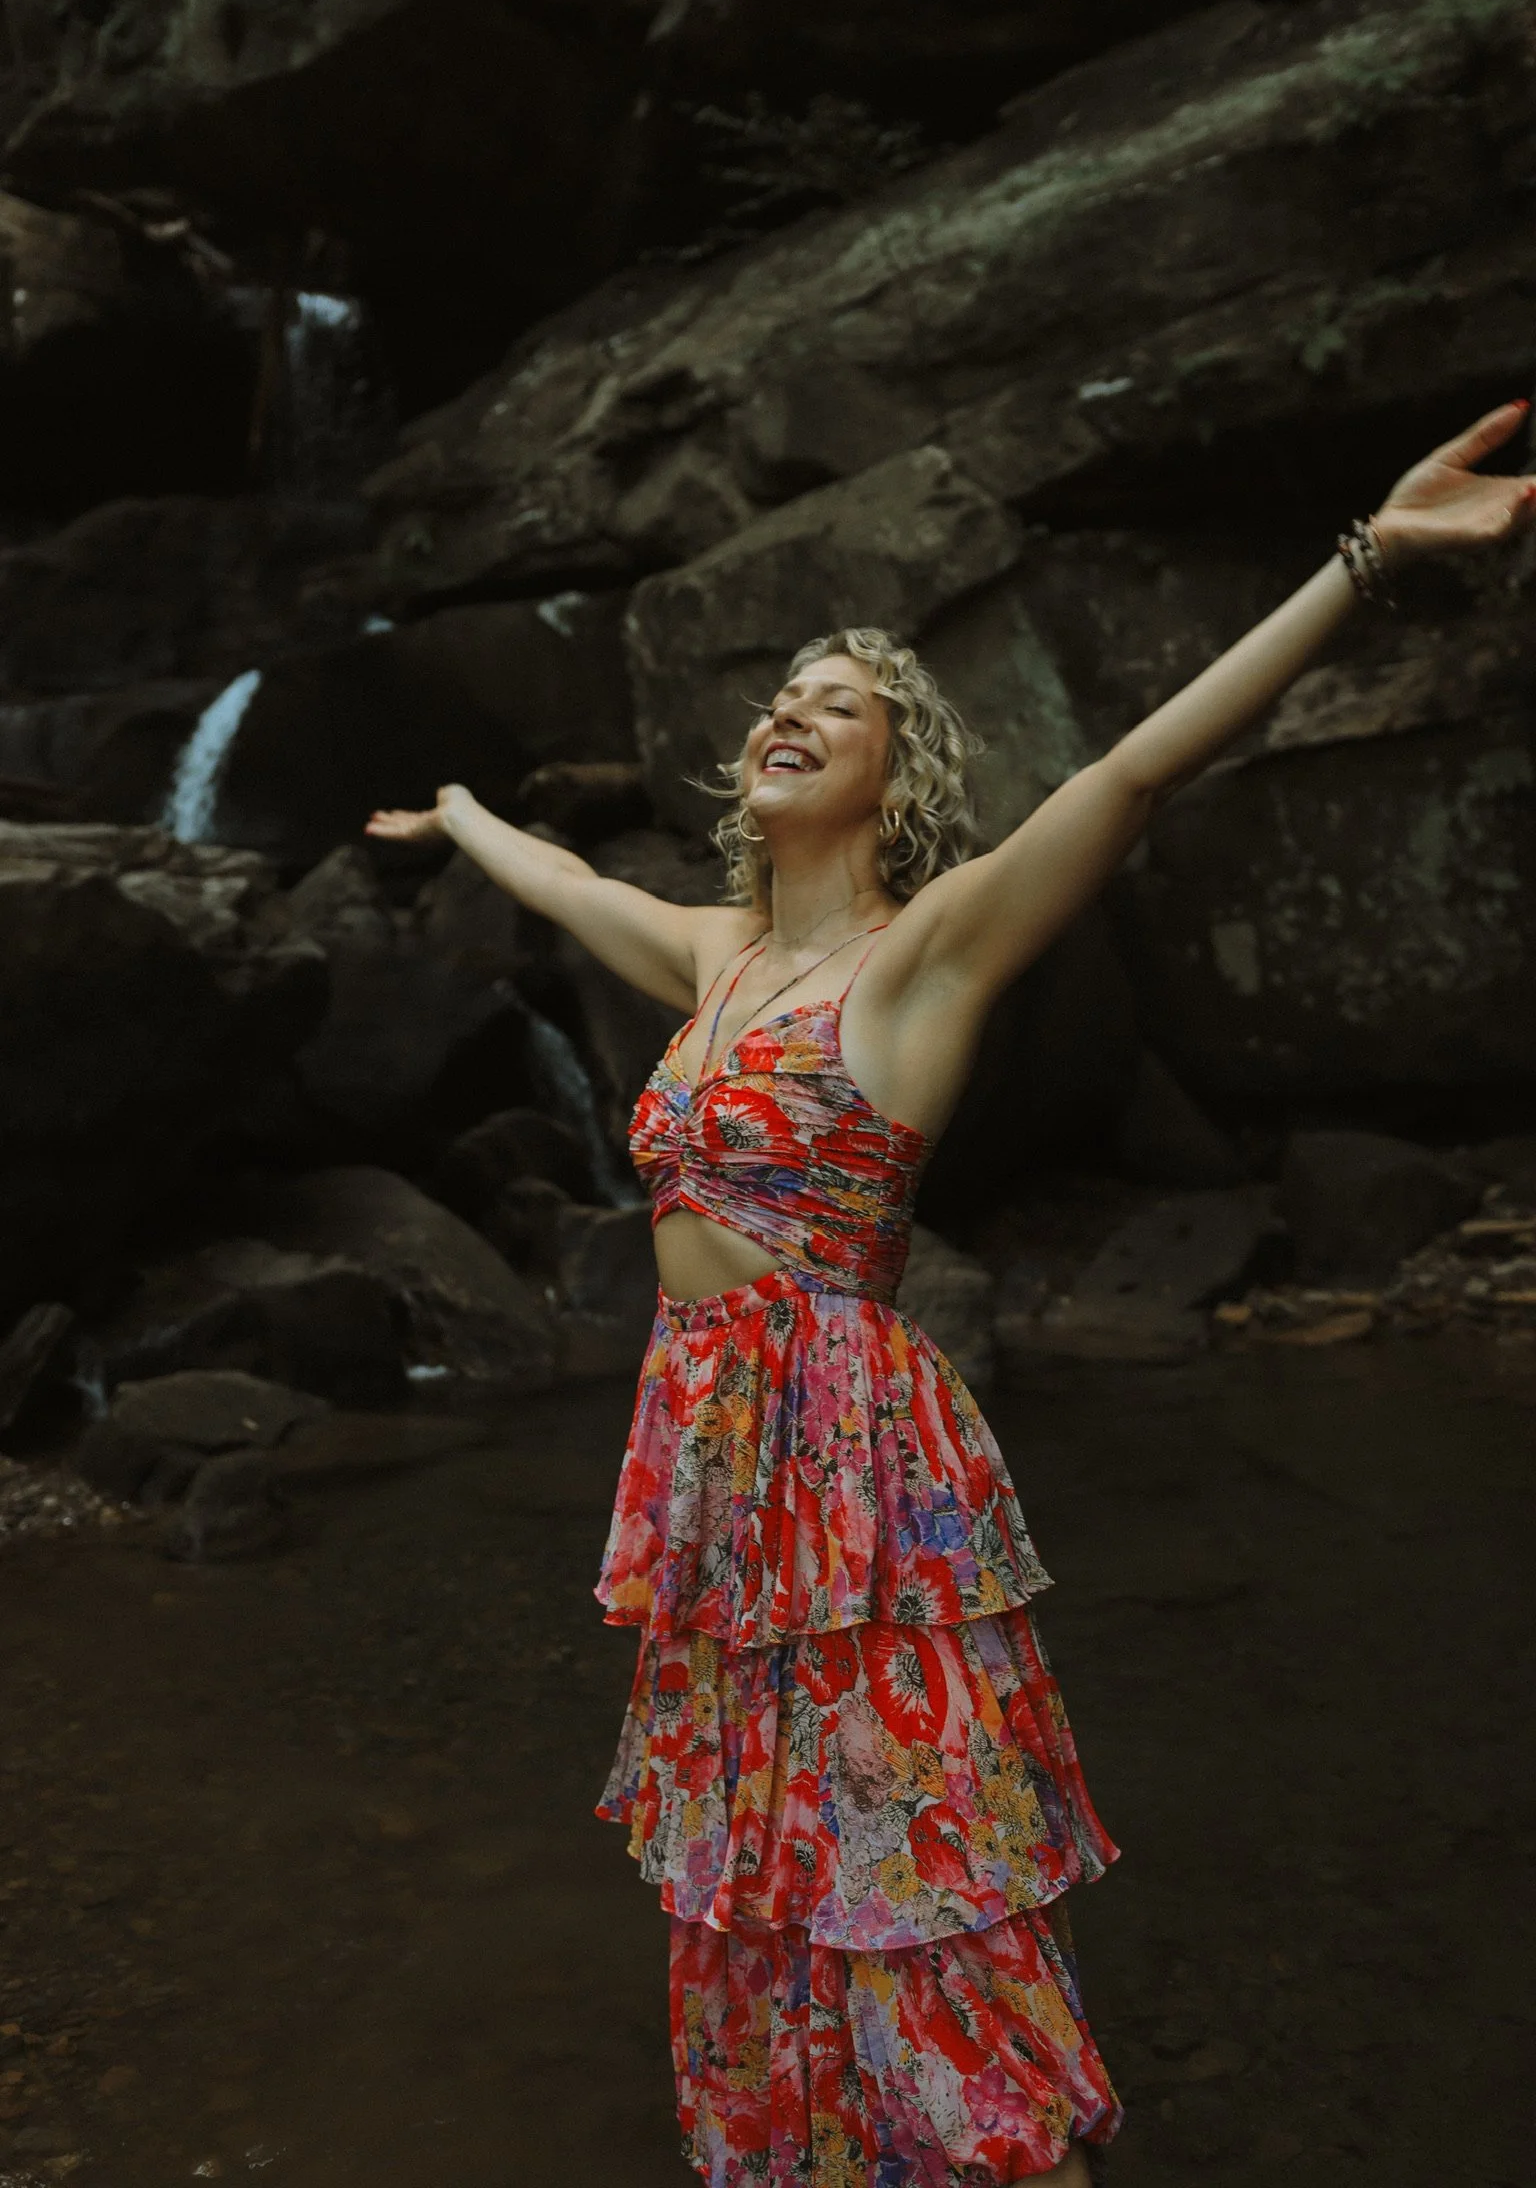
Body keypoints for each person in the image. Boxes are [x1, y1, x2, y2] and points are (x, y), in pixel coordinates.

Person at [367, 402, 1535, 2186]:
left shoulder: (928, 952)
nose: (787, 716)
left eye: (834, 706)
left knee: (913, 1862)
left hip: (844, 1452)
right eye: (779, 698)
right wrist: (458, 816)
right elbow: (573, 881)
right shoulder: (716, 949)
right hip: (704, 1446)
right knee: (766, 1872)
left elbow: (1133, 774)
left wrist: (1364, 560)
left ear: (894, 774)